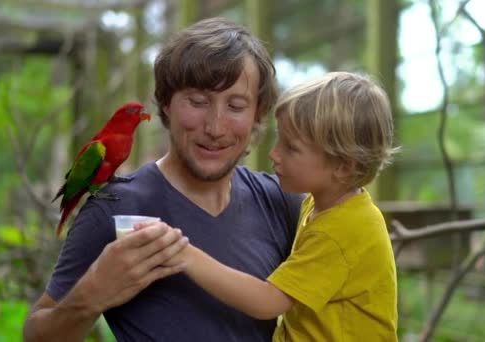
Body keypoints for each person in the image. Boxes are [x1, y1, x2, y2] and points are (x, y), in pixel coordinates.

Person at [23, 17, 302, 342]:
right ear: (166, 104)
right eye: (197, 102)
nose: (215, 127)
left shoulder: (282, 201)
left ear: (258, 114)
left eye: (236, 106)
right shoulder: (113, 208)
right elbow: (36, 336)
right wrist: (91, 294)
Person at [157, 71, 399, 341]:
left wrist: (183, 254)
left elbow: (268, 302)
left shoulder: (342, 231)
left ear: (343, 166)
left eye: (291, 148)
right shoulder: (324, 205)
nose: (274, 154)